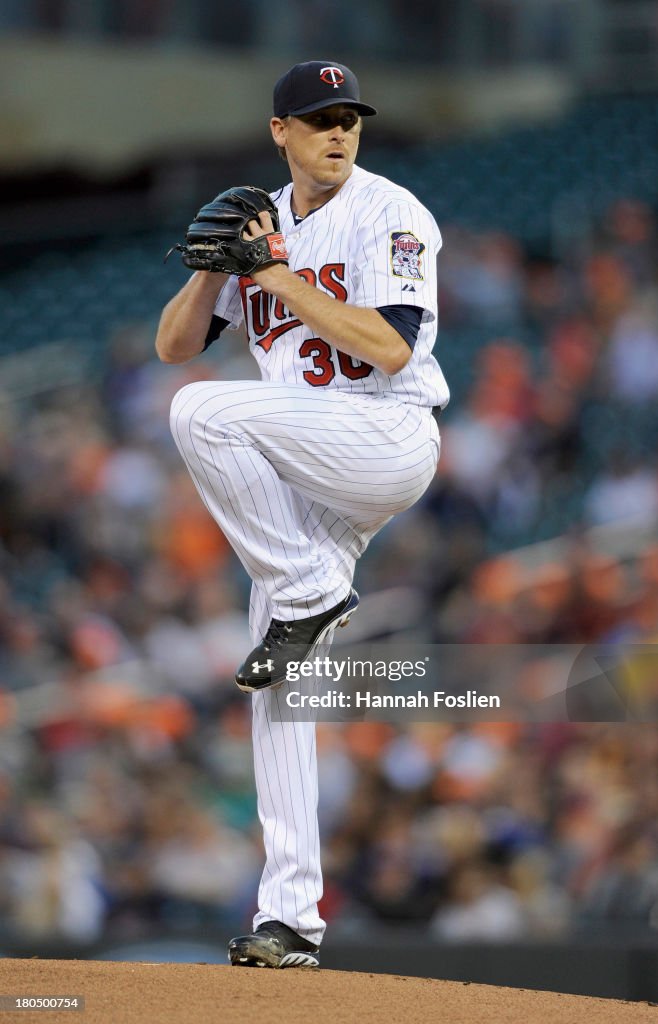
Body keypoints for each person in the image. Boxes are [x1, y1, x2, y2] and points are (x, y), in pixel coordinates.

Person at [155, 59, 449, 968]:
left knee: (202, 410)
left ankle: (308, 588)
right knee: (281, 686)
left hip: (384, 438)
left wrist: (273, 278)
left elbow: (390, 347)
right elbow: (173, 344)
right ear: (279, 131)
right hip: (305, 474)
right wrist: (217, 274)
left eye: (348, 117)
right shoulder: (262, 223)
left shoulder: (389, 211)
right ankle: (291, 920)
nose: (338, 131)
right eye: (318, 118)